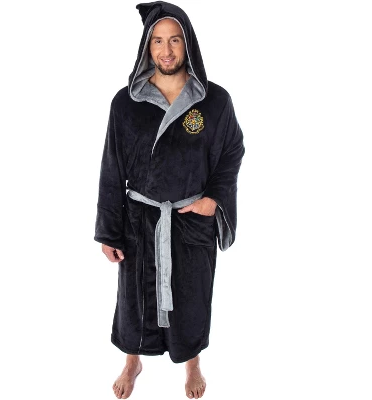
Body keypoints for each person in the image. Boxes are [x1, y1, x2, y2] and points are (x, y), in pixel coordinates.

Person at [94, 2, 245, 399]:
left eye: (174, 40)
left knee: (192, 296)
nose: (166, 50)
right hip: (139, 220)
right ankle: (132, 360)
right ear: (147, 47)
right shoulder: (126, 102)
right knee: (134, 299)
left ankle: (192, 363)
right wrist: (109, 230)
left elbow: (232, 151)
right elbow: (112, 167)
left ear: (187, 44)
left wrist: (214, 199)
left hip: (191, 219)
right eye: (158, 41)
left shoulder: (213, 101)